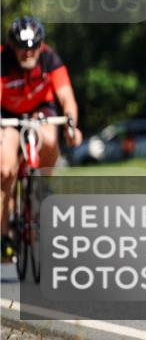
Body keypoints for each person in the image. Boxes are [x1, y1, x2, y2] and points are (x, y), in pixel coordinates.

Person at [1, 16, 82, 260]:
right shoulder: (2, 60)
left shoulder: (50, 59)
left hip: (40, 109)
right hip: (7, 115)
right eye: (22, 49)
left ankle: (43, 184)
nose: (28, 54)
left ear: (41, 45)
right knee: (5, 170)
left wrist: (71, 127)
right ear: (12, 47)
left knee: (48, 138)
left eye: (33, 48)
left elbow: (67, 98)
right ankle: (4, 235)